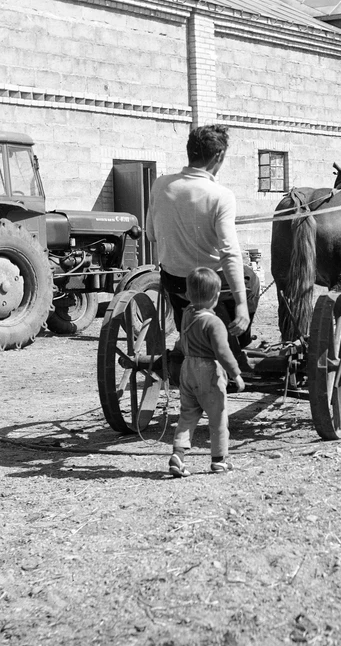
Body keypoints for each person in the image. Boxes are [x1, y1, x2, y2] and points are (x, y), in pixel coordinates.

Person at [145, 124, 257, 362]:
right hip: (209, 284)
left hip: (174, 283)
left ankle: (187, 334)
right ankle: (237, 339)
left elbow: (151, 235)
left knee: (182, 283)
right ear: (219, 156)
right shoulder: (221, 195)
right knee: (251, 280)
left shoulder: (160, 185)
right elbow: (229, 253)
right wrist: (241, 305)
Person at [167, 267, 245, 478]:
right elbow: (222, 352)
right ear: (216, 296)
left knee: (188, 414)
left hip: (187, 369)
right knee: (218, 417)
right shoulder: (214, 322)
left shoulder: (186, 314)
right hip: (208, 371)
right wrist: (236, 373)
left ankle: (178, 455)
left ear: (188, 295)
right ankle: (219, 460)